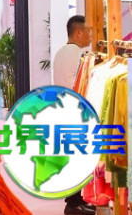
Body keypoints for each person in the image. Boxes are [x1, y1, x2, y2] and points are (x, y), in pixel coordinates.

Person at [53, 15, 94, 215]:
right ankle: (74, 203)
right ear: (78, 32)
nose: (91, 36)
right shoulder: (80, 55)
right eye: (89, 32)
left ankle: (75, 201)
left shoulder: (61, 53)